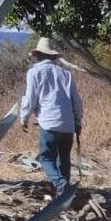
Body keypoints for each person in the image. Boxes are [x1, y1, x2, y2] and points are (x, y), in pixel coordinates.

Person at [20, 37, 83, 197]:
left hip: (49, 123)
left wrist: (24, 118)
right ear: (53, 56)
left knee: (46, 158)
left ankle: (61, 185)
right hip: (68, 125)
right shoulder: (65, 74)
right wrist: (78, 122)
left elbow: (30, 99)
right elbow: (77, 100)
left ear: (38, 55)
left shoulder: (34, 72)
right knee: (64, 159)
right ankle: (65, 193)